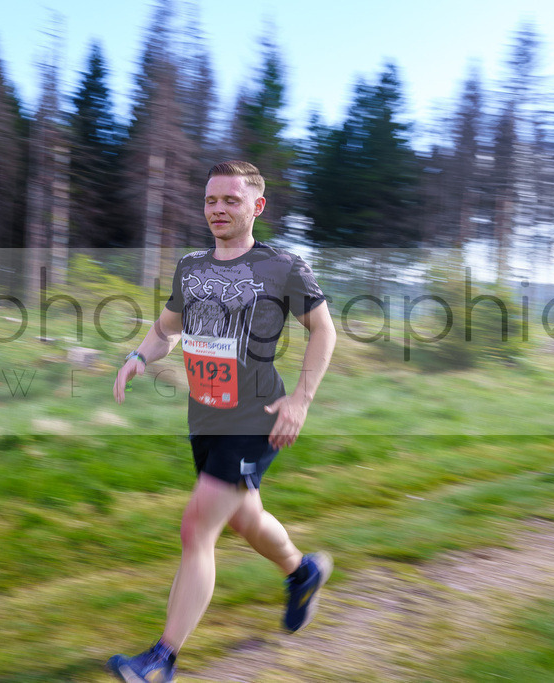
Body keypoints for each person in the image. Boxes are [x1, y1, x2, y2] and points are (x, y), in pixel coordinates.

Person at [107, 161, 338, 682]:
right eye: (211, 200)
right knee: (243, 517)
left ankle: (161, 660)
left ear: (256, 207)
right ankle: (302, 573)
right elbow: (166, 329)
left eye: (231, 200)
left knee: (197, 527)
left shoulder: (283, 266)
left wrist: (302, 398)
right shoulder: (190, 267)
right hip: (206, 415)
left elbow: (324, 331)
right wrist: (138, 357)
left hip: (258, 414)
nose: (218, 209)